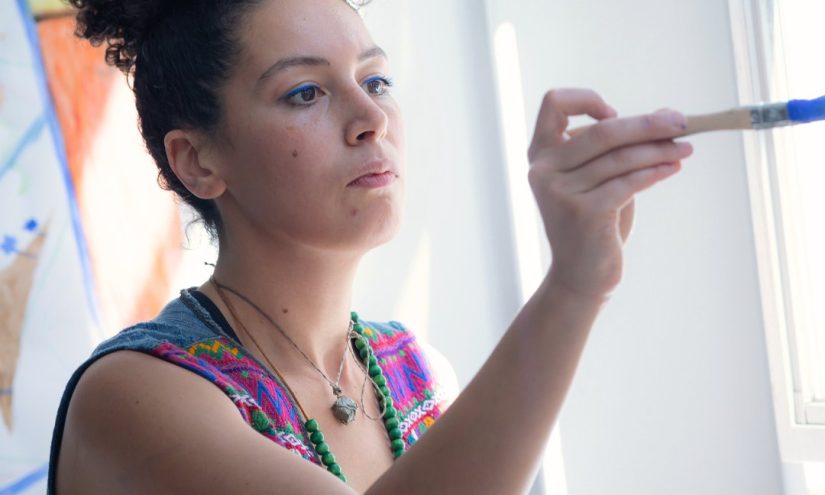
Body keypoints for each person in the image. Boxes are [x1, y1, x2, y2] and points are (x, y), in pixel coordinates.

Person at [48, 0, 694, 493]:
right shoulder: (136, 395)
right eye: (305, 92)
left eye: (376, 80)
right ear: (198, 162)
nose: (371, 118)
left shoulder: (415, 372)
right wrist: (574, 287)